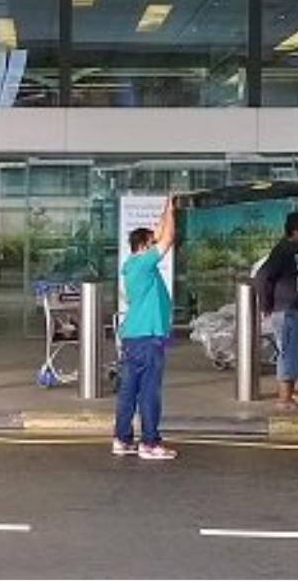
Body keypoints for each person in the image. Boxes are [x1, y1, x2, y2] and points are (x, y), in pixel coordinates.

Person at [112, 196, 178, 461]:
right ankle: (149, 443)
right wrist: (171, 212)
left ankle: (122, 438)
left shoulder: (132, 266)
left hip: (134, 337)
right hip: (148, 338)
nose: (156, 245)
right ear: (143, 246)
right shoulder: (142, 264)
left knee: (129, 391)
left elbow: (160, 233)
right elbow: (168, 237)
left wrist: (167, 207)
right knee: (149, 392)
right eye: (152, 243)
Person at [254, 211, 298, 410]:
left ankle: (290, 392)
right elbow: (263, 276)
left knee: (297, 353)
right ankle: (284, 399)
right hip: (288, 309)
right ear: (295, 231)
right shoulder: (283, 251)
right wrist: (266, 305)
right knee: (289, 352)